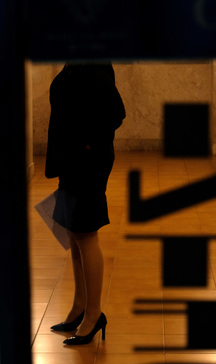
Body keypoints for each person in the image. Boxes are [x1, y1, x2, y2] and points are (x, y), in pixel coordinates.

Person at [45, 62, 126, 345]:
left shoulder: (92, 63)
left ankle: (94, 314)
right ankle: (80, 306)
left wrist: (88, 143)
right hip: (71, 159)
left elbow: (116, 112)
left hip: (87, 161)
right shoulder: (75, 60)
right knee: (73, 231)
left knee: (86, 234)